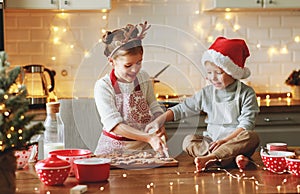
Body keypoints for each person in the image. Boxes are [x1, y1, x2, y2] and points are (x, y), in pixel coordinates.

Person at [145, 36, 260, 172]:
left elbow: (246, 124)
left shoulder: (246, 93)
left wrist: (224, 141)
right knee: (188, 140)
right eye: (209, 73)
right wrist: (160, 120)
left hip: (235, 140)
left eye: (218, 72)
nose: (212, 77)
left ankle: (212, 158)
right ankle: (233, 158)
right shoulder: (206, 93)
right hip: (211, 142)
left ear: (232, 72)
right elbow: (183, 108)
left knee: (251, 137)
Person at [94, 21, 167, 156]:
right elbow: (115, 125)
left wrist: (159, 122)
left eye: (139, 62)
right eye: (128, 65)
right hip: (113, 150)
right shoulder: (103, 86)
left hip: (144, 149)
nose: (135, 69)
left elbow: (153, 105)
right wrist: (149, 137)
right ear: (112, 61)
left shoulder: (143, 77)